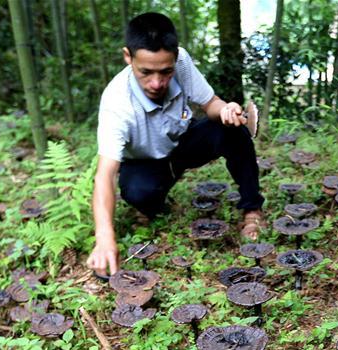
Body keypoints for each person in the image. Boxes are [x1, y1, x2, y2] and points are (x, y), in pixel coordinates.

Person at [86, 12, 265, 277]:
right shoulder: (117, 104)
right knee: (137, 192)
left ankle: (252, 209)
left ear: (174, 59)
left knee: (234, 131)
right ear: (128, 56)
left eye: (165, 72)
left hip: (183, 143)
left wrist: (226, 109)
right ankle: (152, 205)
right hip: (145, 162)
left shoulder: (181, 60)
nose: (156, 83)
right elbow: (105, 175)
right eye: (145, 72)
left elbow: (210, 103)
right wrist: (104, 237)